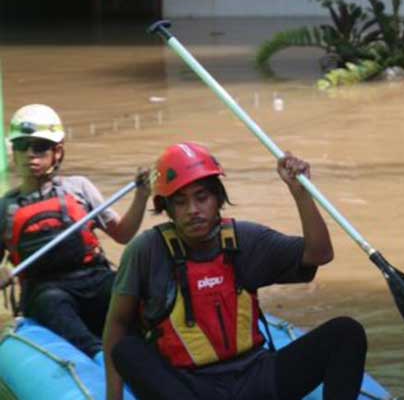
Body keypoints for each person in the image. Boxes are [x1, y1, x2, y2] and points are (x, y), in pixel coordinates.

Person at [103, 141, 367, 400]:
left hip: (256, 376)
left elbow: (319, 254)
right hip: (191, 387)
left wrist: (300, 192)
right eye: (181, 202)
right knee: (126, 349)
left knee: (346, 332)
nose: (193, 210)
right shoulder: (146, 250)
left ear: (218, 198)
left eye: (202, 197)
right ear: (168, 209)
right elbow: (117, 323)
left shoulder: (244, 238)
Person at [0, 103, 150, 360]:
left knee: (126, 290)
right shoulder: (6, 207)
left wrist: (141, 196)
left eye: (39, 147)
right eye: (22, 146)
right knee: (53, 303)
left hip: (93, 278)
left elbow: (122, 234)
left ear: (57, 152)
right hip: (44, 290)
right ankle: (99, 356)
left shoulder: (79, 187)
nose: (30, 155)